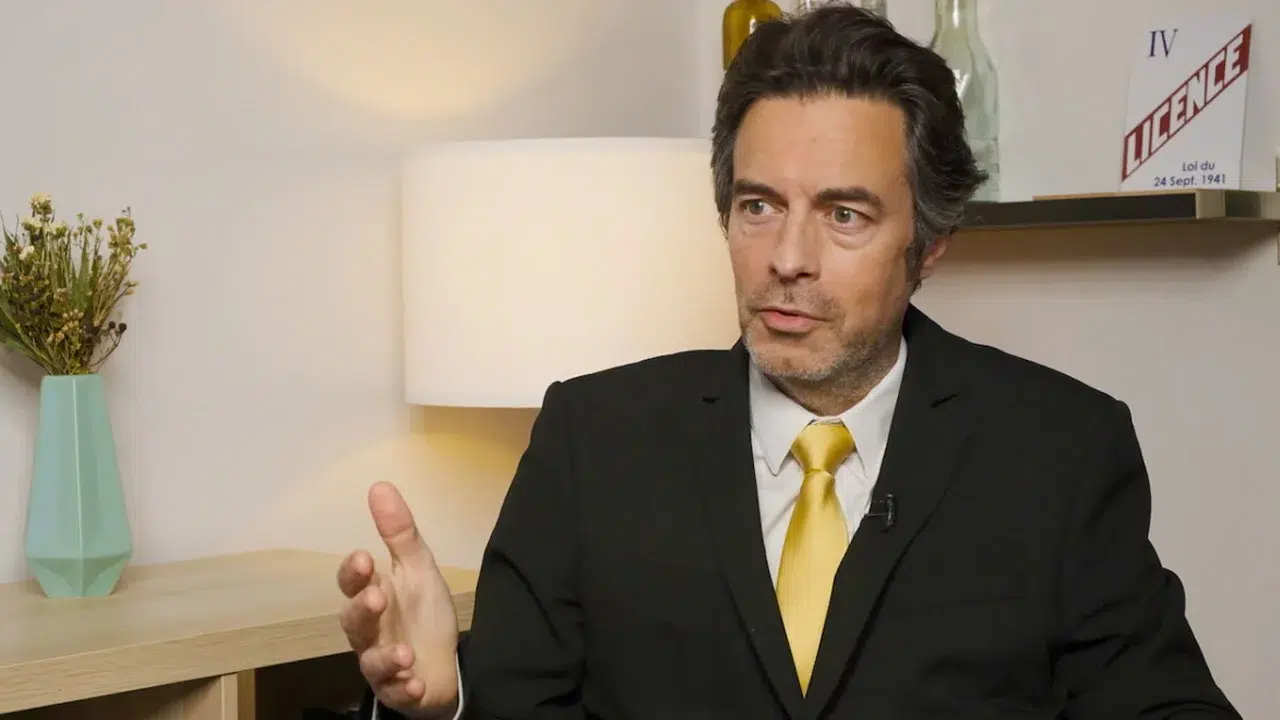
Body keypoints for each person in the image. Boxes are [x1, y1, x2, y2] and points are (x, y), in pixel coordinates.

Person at [337, 4, 1240, 718]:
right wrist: (447, 701)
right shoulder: (592, 440)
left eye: (845, 215)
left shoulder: (1060, 449)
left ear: (928, 246)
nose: (787, 259)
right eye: (759, 206)